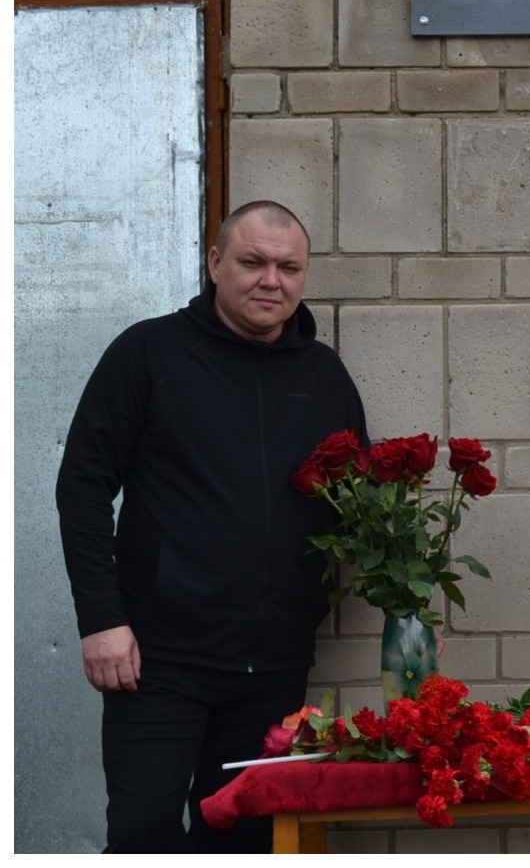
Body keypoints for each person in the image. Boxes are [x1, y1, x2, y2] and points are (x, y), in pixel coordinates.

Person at [56, 201, 368, 853]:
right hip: (159, 659)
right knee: (143, 832)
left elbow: (361, 509)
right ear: (216, 263)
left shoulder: (325, 376)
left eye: (289, 267)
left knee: (248, 839)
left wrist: (411, 608)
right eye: (253, 262)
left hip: (275, 664)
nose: (271, 280)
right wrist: (101, 620)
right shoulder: (148, 353)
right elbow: (83, 486)